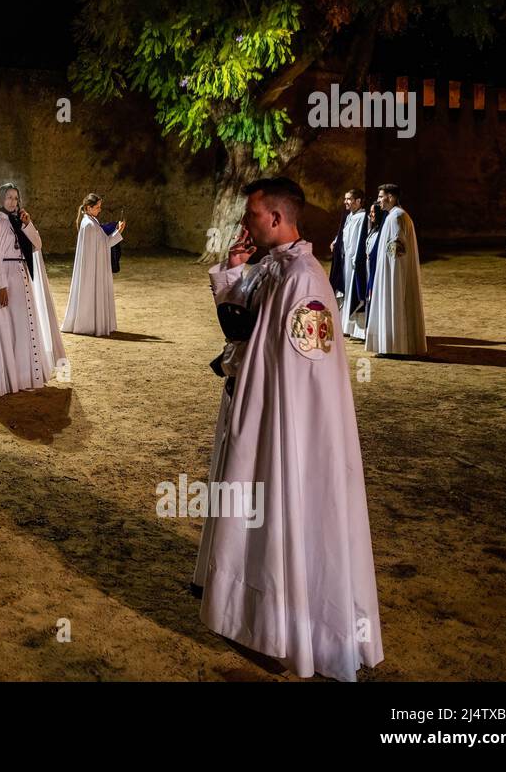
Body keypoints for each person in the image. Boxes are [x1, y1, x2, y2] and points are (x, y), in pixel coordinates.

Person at [193, 176, 383, 682]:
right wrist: (234, 272)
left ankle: (296, 627)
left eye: (251, 215)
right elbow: (242, 330)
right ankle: (254, 616)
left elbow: (307, 375)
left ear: (276, 218)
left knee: (283, 516)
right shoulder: (272, 266)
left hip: (283, 425)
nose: (243, 224)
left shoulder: (305, 279)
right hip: (257, 409)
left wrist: (272, 416)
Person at [0, 182, 65, 395]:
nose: (13, 201)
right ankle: (9, 378)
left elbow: (37, 245)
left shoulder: (17, 222)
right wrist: (1, 286)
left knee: (24, 326)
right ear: (0, 199)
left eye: (15, 198)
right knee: (10, 328)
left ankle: (24, 377)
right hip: (8, 281)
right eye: (9, 197)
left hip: (22, 277)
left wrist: (28, 224)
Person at [364, 184, 427, 356]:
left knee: (395, 304)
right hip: (389, 272)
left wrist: (392, 276)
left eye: (381, 196)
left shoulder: (396, 217)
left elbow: (397, 249)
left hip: (393, 274)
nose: (378, 201)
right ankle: (391, 345)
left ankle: (395, 346)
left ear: (391, 197)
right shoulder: (393, 216)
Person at [61, 193, 125, 337]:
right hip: (92, 269)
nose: (99, 210)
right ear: (88, 208)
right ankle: (89, 324)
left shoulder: (90, 222)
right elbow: (104, 245)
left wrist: (117, 231)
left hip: (93, 268)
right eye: (97, 207)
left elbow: (102, 244)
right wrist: (118, 231)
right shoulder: (90, 225)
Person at [330, 189, 369, 341]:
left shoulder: (362, 217)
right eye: (345, 199)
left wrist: (356, 260)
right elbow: (343, 233)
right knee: (344, 292)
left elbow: (360, 240)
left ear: (358, 201)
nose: (345, 202)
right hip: (344, 261)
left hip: (354, 263)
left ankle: (357, 330)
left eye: (349, 199)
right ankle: (345, 325)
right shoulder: (349, 216)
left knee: (354, 292)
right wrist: (336, 241)